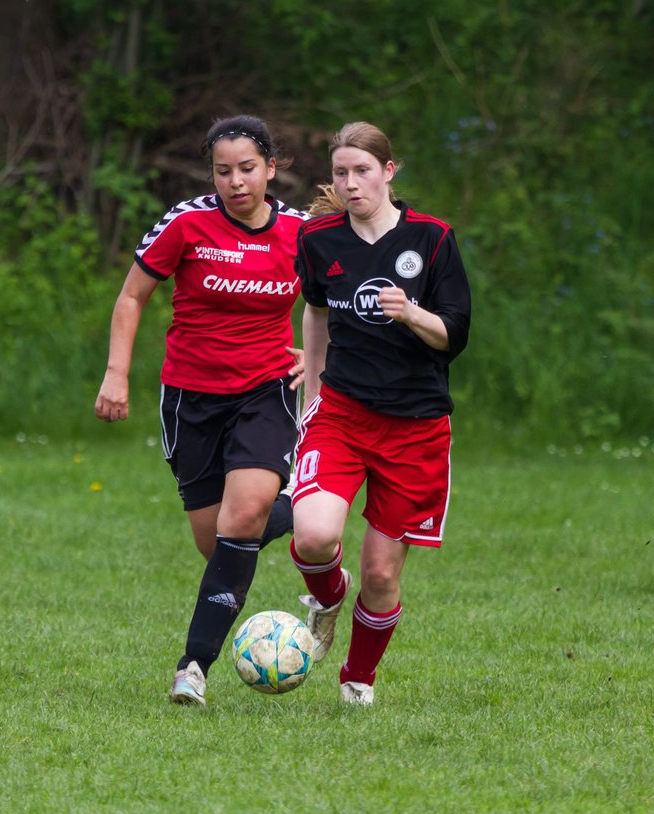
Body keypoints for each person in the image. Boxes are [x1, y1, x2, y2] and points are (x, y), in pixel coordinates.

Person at [94, 114, 309, 705]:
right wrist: (116, 373)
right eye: (223, 171)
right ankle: (300, 510)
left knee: (241, 521)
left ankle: (194, 665)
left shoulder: (301, 232)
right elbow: (132, 296)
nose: (236, 182)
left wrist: (317, 357)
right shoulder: (187, 223)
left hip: (266, 391)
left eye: (247, 168)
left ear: (271, 167)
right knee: (217, 544)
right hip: (190, 399)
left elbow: (340, 297)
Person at [290, 121, 471, 705]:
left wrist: (412, 313)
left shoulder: (433, 239)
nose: (350, 183)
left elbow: (456, 336)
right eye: (340, 173)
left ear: (389, 172)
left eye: (362, 171)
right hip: (341, 412)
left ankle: (357, 681)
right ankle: (326, 595)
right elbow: (314, 314)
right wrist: (310, 395)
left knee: (383, 576)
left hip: (416, 426)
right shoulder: (320, 240)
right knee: (315, 535)